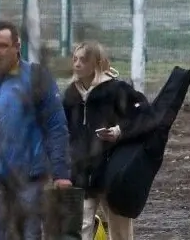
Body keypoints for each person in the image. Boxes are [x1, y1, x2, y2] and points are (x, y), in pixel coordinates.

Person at [0, 20, 72, 239]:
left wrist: (61, 173)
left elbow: (55, 126)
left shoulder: (36, 78)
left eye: (2, 45)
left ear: (17, 46)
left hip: (28, 179)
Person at [62, 41, 154, 240]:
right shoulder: (70, 94)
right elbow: (63, 128)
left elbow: (142, 114)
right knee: (78, 227)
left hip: (112, 171)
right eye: (75, 59)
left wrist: (119, 131)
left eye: (83, 60)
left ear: (97, 63)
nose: (77, 64)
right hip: (80, 171)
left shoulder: (116, 90)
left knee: (120, 230)